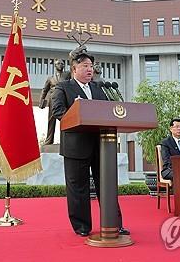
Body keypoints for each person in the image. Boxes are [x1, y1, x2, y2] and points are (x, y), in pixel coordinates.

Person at [52, 49, 129, 237]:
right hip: (75, 146)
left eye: (91, 66)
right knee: (78, 189)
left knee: (107, 185)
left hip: (102, 145)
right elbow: (58, 111)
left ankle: (114, 224)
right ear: (74, 69)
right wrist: (77, 118)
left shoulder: (99, 88)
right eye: (85, 66)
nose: (89, 70)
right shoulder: (63, 87)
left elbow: (109, 112)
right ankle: (82, 227)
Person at [38, 59, 69, 145]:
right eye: (58, 63)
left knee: (64, 119)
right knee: (51, 119)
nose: (60, 65)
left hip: (63, 98)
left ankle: (64, 140)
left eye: (62, 64)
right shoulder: (50, 78)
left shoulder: (67, 75)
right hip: (53, 100)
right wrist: (42, 100)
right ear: (55, 66)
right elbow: (45, 90)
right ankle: (49, 140)